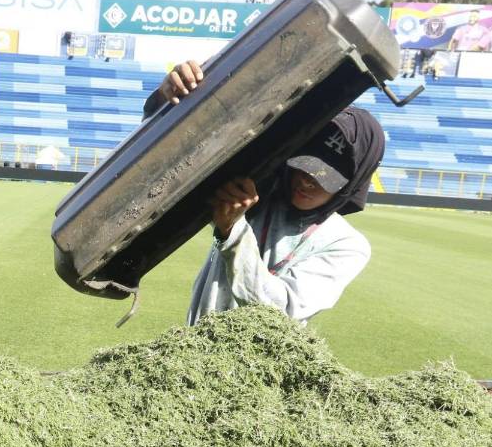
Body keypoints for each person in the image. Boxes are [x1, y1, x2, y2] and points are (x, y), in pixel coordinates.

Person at [144, 61, 385, 326]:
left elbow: (279, 311)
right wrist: (167, 102)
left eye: (324, 179)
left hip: (261, 365)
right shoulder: (254, 193)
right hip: (192, 349)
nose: (306, 183)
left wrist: (232, 231)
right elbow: (174, 165)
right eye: (304, 167)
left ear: (351, 185)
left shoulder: (346, 245)